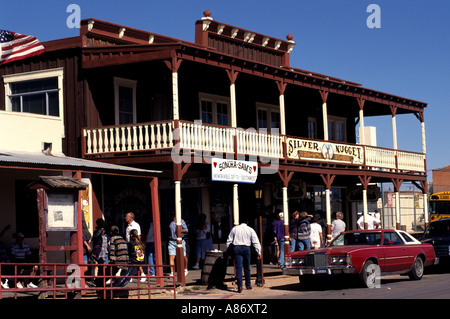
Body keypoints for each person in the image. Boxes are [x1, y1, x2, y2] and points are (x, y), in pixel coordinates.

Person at [226, 216, 261, 293]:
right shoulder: (250, 229)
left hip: (237, 248)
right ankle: (248, 284)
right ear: (247, 222)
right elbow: (255, 241)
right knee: (247, 267)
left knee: (238, 267)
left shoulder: (234, 229)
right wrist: (259, 251)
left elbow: (229, 241)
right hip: (246, 248)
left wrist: (228, 251)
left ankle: (240, 285)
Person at [124, 212, 145, 282]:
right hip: (129, 244)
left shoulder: (136, 225)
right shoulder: (128, 226)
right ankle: (130, 275)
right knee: (130, 260)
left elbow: (138, 235)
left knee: (136, 259)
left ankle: (142, 274)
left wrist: (138, 244)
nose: (125, 218)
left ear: (130, 218)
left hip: (134, 244)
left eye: (126, 217)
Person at [168, 212, 189, 276]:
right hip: (172, 241)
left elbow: (186, 230)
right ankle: (172, 272)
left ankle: (185, 268)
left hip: (180, 240)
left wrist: (181, 230)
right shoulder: (170, 222)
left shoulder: (181, 221)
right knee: (171, 257)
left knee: (183, 256)